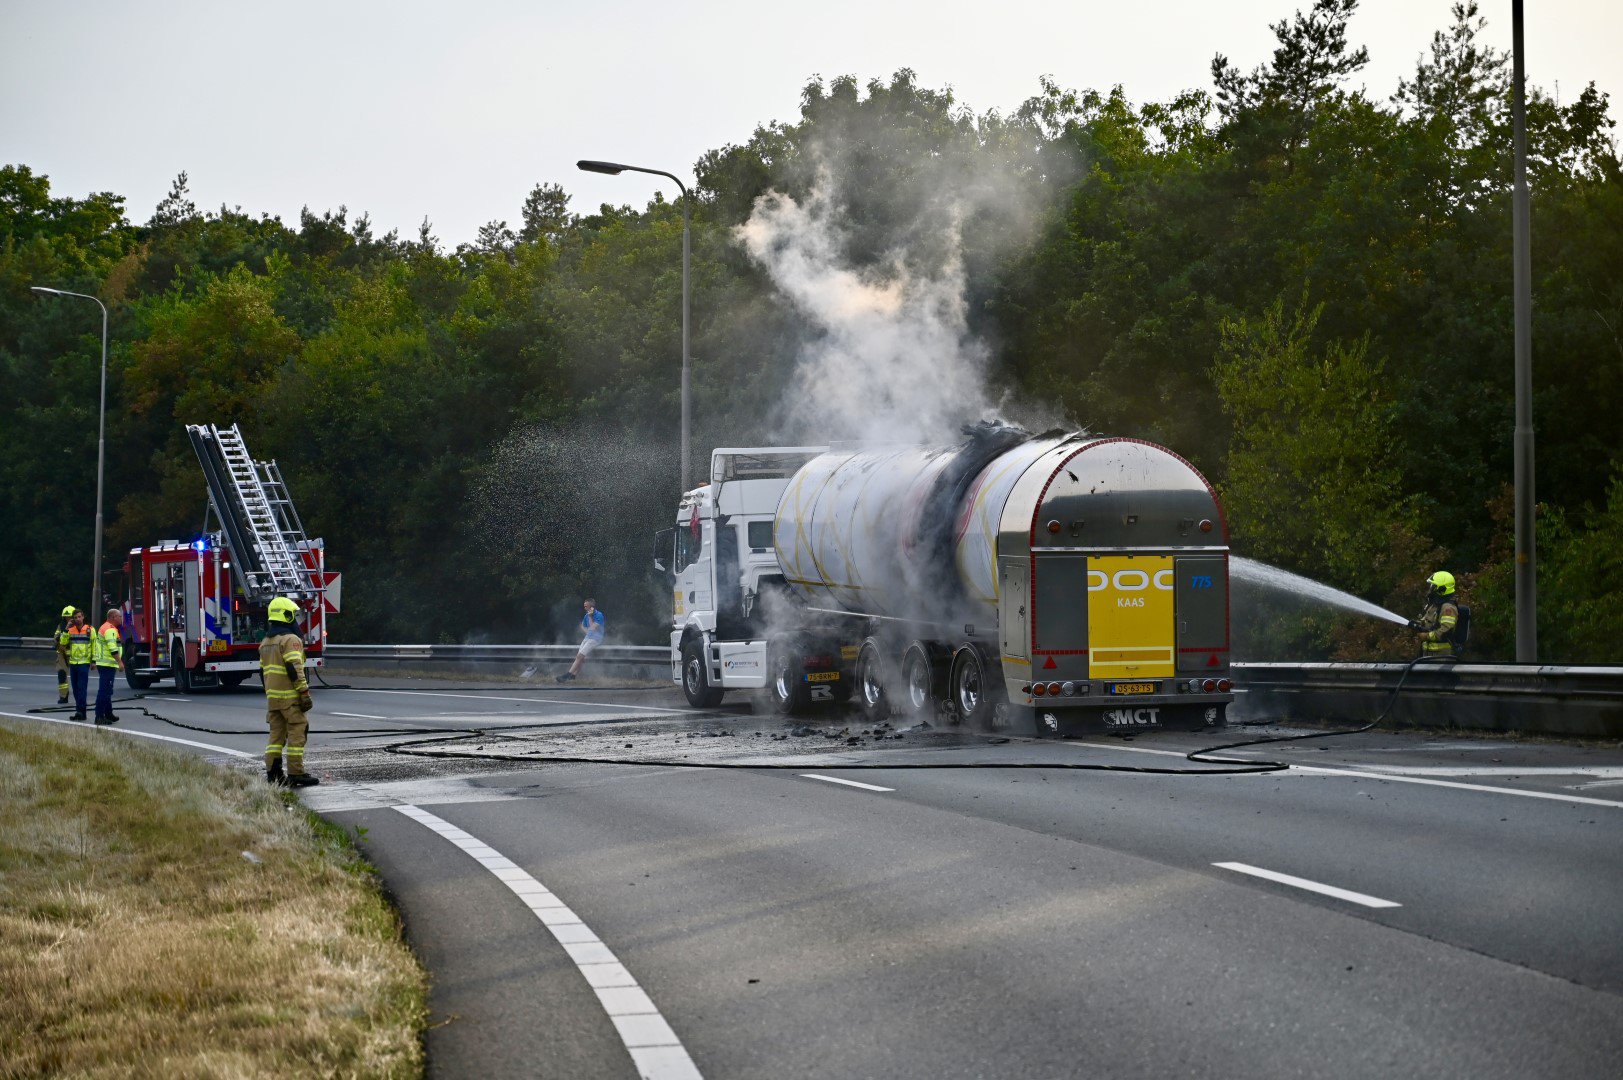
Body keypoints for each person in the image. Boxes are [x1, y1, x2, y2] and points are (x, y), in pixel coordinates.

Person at [260, 596, 317, 787]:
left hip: (273, 699)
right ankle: (296, 773)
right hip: (290, 698)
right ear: (285, 616)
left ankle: (273, 774)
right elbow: (294, 668)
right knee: (297, 731)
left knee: (276, 737)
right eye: (292, 615)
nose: (295, 619)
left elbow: (264, 673)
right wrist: (304, 692)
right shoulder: (290, 640)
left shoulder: (265, 643)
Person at [1410, 571, 1461, 657]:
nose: (1431, 589)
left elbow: (1446, 632)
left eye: (1434, 586)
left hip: (1441, 657)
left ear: (1442, 589)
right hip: (1428, 655)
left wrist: (1426, 636)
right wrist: (1417, 624)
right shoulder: (1435, 605)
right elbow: (1428, 622)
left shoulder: (1448, 608)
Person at [556, 598, 604, 683]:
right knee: (580, 657)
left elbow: (593, 627)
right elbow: (582, 625)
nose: (584, 607)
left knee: (579, 656)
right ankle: (573, 675)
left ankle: (567, 675)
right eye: (584, 605)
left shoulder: (599, 615)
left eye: (586, 605)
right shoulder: (586, 615)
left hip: (596, 639)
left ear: (591, 606)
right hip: (588, 638)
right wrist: (587, 632)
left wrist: (590, 617)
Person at [91, 608, 124, 724]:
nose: (121, 618)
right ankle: (99, 716)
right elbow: (112, 647)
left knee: (107, 690)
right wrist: (120, 662)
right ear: (113, 617)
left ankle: (108, 714)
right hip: (107, 664)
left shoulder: (107, 627)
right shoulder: (110, 629)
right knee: (104, 691)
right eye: (119, 616)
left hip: (105, 663)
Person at [63, 609, 94, 722]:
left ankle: (80, 711)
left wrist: (93, 661)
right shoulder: (70, 630)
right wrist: (66, 629)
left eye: (79, 617)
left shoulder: (90, 630)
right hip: (73, 663)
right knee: (75, 689)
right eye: (75, 617)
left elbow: (94, 645)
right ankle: (80, 711)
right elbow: (62, 642)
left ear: (83, 617)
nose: (77, 619)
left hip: (84, 663)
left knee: (82, 688)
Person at [53, 604, 74, 704]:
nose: (68, 618)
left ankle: (80, 697)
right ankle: (63, 696)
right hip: (62, 654)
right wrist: (58, 640)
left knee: (77, 678)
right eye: (66, 617)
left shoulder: (79, 626)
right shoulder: (61, 626)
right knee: (61, 675)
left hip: (75, 655)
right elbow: (56, 637)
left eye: (70, 616)